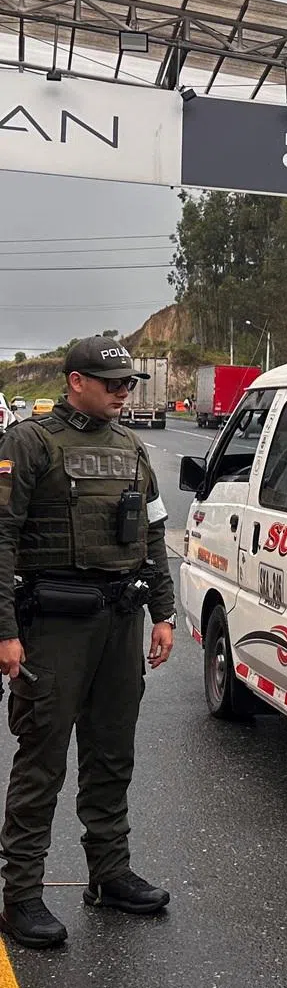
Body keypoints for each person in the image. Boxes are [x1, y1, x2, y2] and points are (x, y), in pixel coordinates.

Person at [0, 337, 176, 950]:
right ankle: (21, 893)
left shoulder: (131, 446)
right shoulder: (29, 443)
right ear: (76, 382)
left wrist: (163, 611)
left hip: (119, 622)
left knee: (111, 753)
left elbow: (153, 534)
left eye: (129, 383)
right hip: (53, 626)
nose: (124, 392)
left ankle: (109, 873)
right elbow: (1, 539)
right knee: (41, 758)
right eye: (113, 383)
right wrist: (5, 631)